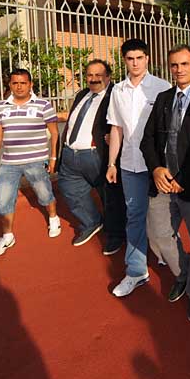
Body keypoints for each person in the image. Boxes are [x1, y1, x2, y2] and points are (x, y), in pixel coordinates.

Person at [142, 44, 190, 323]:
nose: (179, 70)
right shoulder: (163, 99)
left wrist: (182, 178)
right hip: (163, 183)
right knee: (159, 234)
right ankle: (183, 274)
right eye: (174, 65)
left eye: (184, 64)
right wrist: (157, 169)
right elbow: (147, 140)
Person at [106, 38, 171, 297]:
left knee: (163, 218)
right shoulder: (118, 91)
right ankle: (136, 271)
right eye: (130, 58)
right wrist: (112, 163)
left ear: (147, 59)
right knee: (134, 216)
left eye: (139, 58)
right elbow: (116, 129)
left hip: (158, 165)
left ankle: (166, 253)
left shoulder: (161, 87)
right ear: (124, 60)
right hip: (130, 165)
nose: (135, 63)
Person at [0, 68, 61, 257]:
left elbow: (55, 132)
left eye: (23, 83)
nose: (19, 87)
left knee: (44, 194)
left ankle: (53, 217)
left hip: (36, 161)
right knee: (5, 201)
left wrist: (53, 158)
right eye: (15, 83)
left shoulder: (43, 105)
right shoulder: (2, 107)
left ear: (30, 84)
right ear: (10, 85)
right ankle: (7, 235)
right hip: (9, 163)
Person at [57, 59, 126, 253]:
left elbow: (127, 122)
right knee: (70, 189)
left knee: (110, 196)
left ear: (108, 77)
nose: (94, 79)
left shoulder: (116, 96)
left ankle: (116, 235)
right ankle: (92, 222)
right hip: (71, 155)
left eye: (98, 75)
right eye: (90, 75)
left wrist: (112, 137)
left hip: (97, 155)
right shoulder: (81, 95)